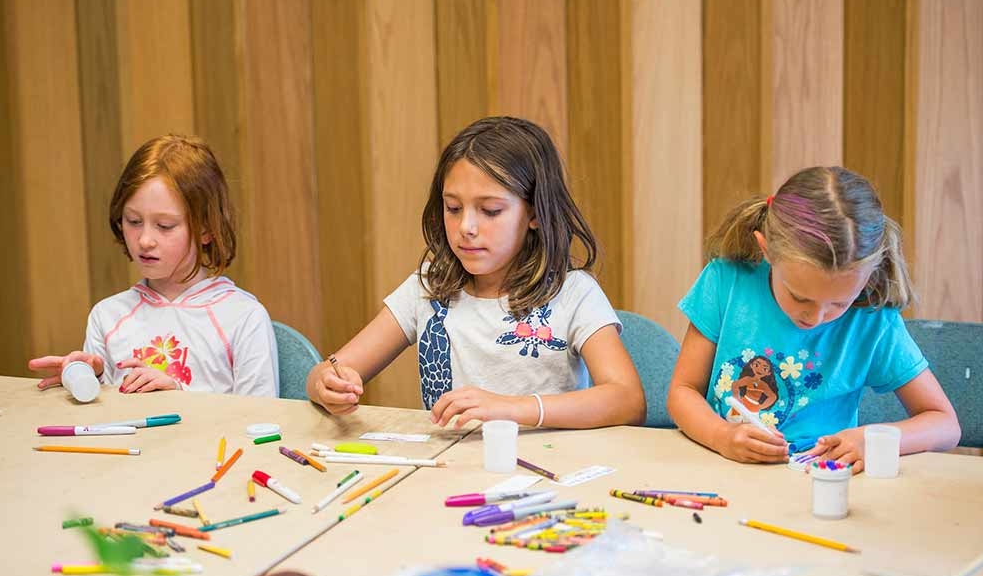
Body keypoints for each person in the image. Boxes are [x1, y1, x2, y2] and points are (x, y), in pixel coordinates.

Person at [307, 116, 644, 428]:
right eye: (453, 208)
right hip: (452, 475)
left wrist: (513, 408)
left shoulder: (572, 294)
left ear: (536, 213)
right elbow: (332, 369)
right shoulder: (428, 289)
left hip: (544, 474)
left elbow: (627, 399)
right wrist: (327, 384)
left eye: (490, 210)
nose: (466, 227)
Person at [666, 166, 961, 472]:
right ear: (766, 249)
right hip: (723, 469)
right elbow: (682, 392)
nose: (815, 317)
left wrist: (869, 440)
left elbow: (945, 424)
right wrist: (722, 436)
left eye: (839, 303)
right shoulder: (727, 283)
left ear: (871, 272)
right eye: (799, 297)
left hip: (820, 480)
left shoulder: (872, 321)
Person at [29, 135, 278, 397]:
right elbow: (100, 424)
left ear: (206, 228)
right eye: (133, 221)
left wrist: (177, 394)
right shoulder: (107, 317)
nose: (145, 240)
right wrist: (93, 379)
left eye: (165, 226)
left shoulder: (243, 318)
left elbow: (260, 424)